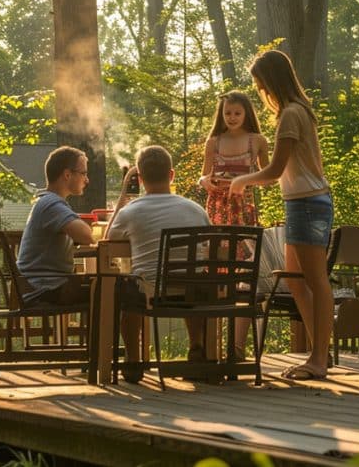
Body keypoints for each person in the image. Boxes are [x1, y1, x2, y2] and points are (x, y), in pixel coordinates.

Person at [228, 50, 333, 381]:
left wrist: (241, 180)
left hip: (308, 203)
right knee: (292, 278)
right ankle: (321, 352)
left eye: (261, 84)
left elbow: (273, 171)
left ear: (271, 81)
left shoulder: (291, 114)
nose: (261, 90)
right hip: (302, 202)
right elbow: (282, 168)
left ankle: (317, 360)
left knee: (316, 280)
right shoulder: (298, 111)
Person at [105, 145, 211, 383]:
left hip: (150, 293)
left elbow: (108, 241)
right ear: (171, 175)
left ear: (140, 179)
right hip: (191, 292)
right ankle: (197, 347)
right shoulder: (195, 210)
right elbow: (210, 244)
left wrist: (123, 196)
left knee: (127, 285)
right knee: (192, 277)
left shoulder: (130, 212)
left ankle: (133, 360)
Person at [197, 90, 270, 360]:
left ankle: (237, 347)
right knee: (215, 271)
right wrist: (204, 182)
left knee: (243, 274)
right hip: (216, 209)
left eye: (237, 113)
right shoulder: (213, 141)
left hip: (244, 209)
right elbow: (203, 175)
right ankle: (210, 347)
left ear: (247, 113)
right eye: (228, 113)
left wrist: (245, 181)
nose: (232, 117)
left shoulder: (257, 140)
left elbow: (270, 176)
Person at [16, 146, 96, 305]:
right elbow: (88, 236)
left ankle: (95, 331)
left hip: (37, 285)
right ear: (67, 175)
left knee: (101, 287)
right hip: (43, 288)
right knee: (110, 290)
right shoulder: (51, 204)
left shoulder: (48, 202)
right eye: (84, 173)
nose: (87, 180)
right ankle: (104, 331)